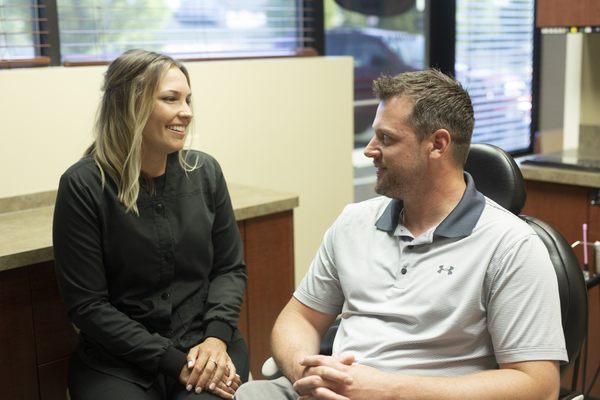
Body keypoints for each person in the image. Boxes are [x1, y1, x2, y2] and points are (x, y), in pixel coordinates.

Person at [235, 69, 567, 400]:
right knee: (249, 394)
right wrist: (306, 372)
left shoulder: (511, 245)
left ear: (437, 145)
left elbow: (539, 386)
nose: (369, 149)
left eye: (387, 138)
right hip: (327, 393)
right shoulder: (354, 222)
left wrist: (388, 390)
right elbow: (299, 318)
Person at [53, 49, 248, 400]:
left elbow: (229, 269)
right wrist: (173, 362)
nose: (186, 112)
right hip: (118, 363)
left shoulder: (205, 173)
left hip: (206, 348)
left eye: (188, 100)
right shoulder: (83, 186)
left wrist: (217, 339)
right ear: (130, 105)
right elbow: (88, 307)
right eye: (171, 99)